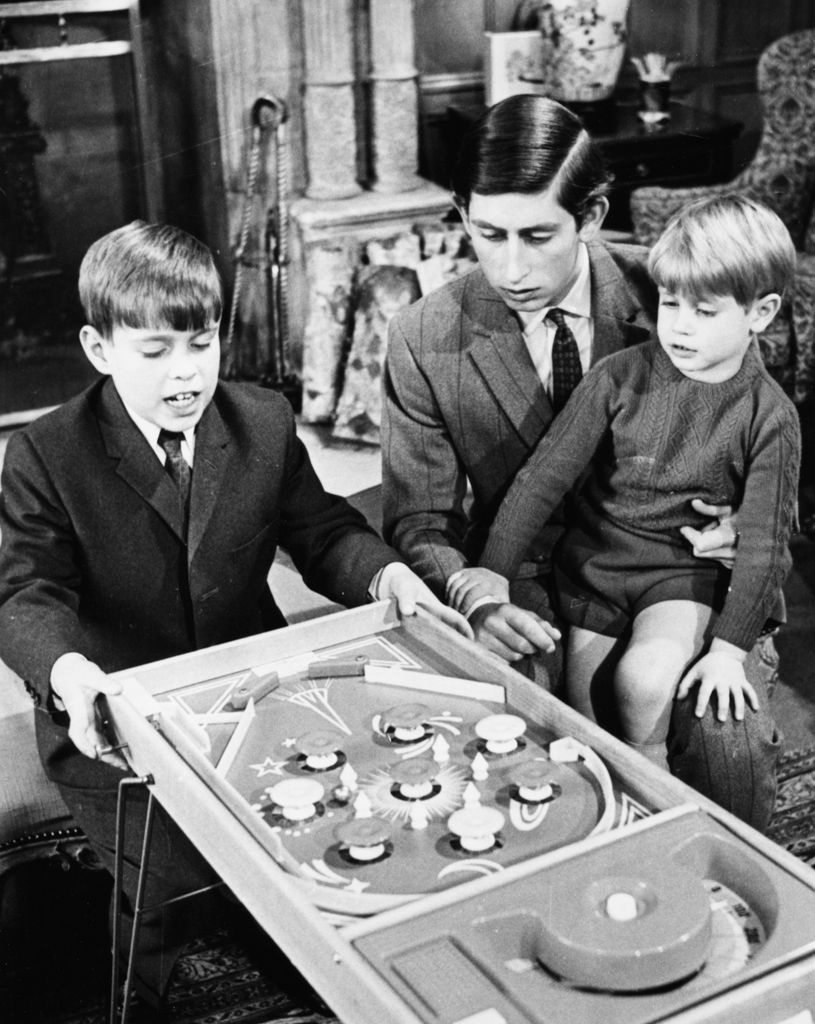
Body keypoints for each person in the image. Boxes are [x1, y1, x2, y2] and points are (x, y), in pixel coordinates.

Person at [0, 220, 468, 1018]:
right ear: (98, 347)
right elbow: (25, 594)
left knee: (327, 837)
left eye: (201, 344)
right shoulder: (46, 451)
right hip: (114, 717)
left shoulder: (262, 420)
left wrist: (389, 575)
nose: (185, 374)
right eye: (155, 352)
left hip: (256, 697)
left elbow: (322, 531)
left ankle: (319, 971)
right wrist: (73, 678)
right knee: (175, 886)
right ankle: (139, 990)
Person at [381, 94, 781, 828]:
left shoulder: (675, 290)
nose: (511, 266)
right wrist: (478, 597)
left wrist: (737, 516)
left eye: (537, 235)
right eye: (487, 234)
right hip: (522, 592)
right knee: (518, 759)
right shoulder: (420, 337)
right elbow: (419, 519)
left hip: (675, 573)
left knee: (728, 738)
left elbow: (753, 422)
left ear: (591, 216)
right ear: (462, 213)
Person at [469, 194, 800, 773]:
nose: (679, 326)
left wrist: (727, 651)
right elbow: (543, 478)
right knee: (581, 721)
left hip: (679, 576)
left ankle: (654, 800)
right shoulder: (617, 377)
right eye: (670, 304)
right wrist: (494, 569)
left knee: (642, 684)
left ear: (761, 312)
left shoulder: (769, 416)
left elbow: (766, 546)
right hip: (596, 569)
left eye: (704, 311)